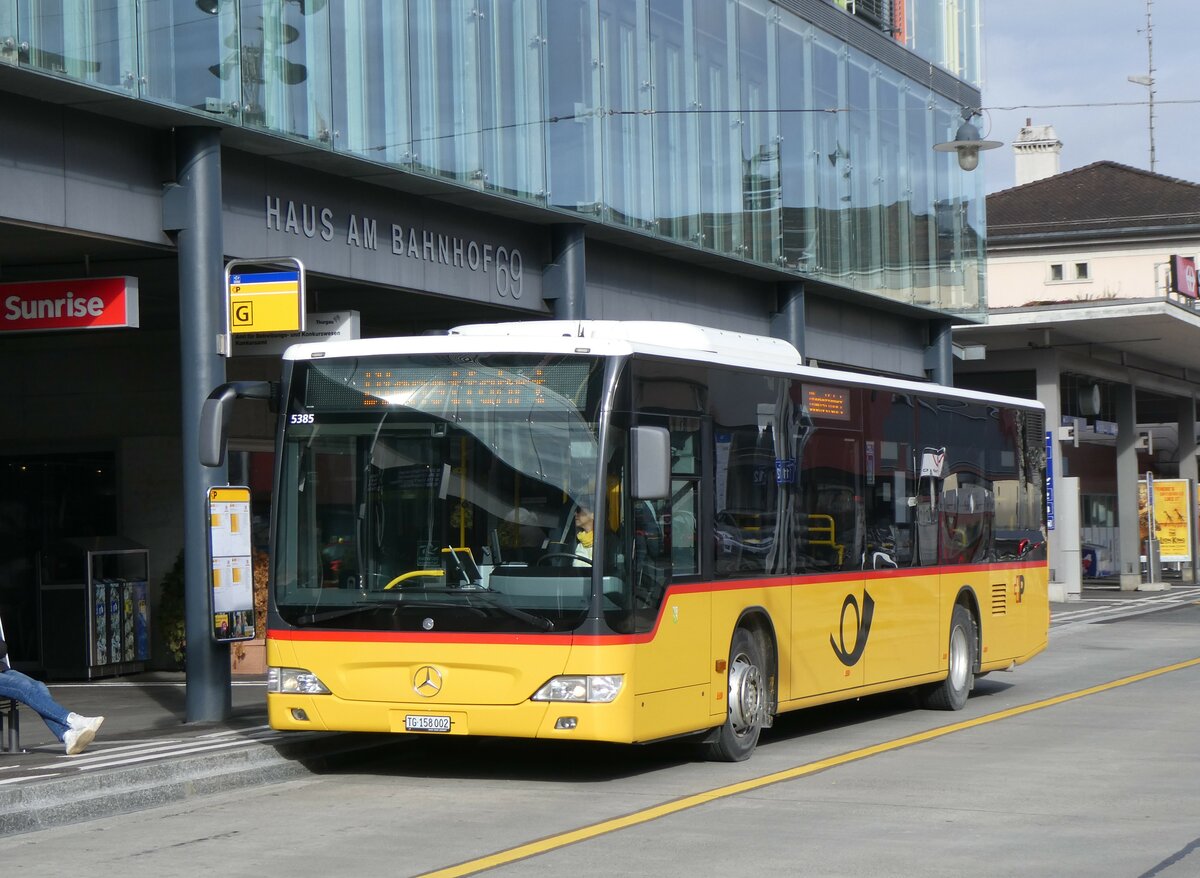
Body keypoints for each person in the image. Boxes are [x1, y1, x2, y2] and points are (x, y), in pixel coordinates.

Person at [0, 637, 104, 755]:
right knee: (23, 686)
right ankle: (72, 720)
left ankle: (67, 735)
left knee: (39, 687)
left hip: (3, 670)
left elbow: (2, 649)